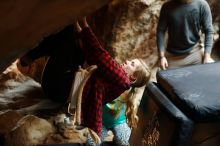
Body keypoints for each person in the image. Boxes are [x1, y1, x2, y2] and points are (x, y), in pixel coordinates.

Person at [19, 17, 151, 145]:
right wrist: (79, 30)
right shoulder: (118, 81)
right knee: (75, 40)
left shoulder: (122, 79)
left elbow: (100, 55)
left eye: (132, 64)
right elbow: (92, 55)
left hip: (58, 87)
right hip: (60, 87)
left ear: (132, 77)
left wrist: (84, 25)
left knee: (67, 34)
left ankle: (28, 58)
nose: (128, 61)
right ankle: (31, 57)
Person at [157, 0, 214, 70]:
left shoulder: (202, 5)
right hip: (173, 56)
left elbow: (209, 31)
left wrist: (207, 56)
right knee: (164, 77)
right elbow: (160, 31)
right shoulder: (167, 7)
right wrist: (161, 57)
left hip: (195, 52)